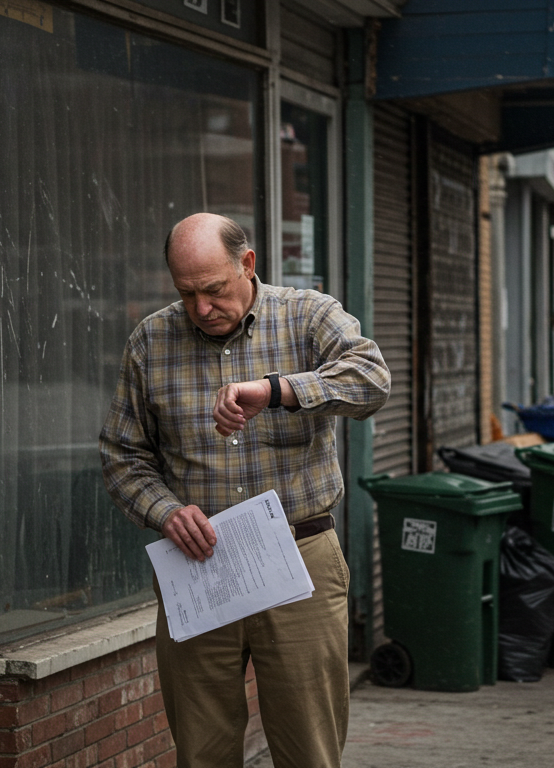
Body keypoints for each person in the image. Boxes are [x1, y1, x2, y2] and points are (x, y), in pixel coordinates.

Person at [100, 212, 389, 768]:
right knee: (202, 749)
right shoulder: (151, 341)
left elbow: (372, 380)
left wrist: (278, 390)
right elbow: (122, 455)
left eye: (213, 290)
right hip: (198, 565)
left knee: (309, 747)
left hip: (300, 557)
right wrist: (164, 512)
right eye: (187, 294)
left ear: (247, 265)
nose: (201, 308)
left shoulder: (307, 316)